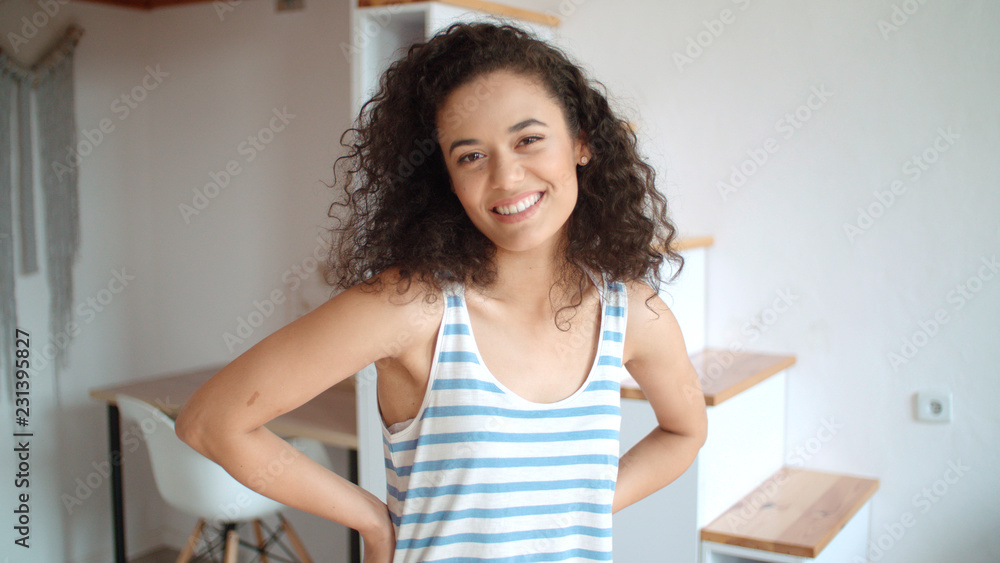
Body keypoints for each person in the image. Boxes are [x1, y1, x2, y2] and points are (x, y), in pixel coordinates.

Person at [176, 21, 707, 563]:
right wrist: (371, 522)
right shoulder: (412, 308)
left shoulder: (633, 313)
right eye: (470, 155)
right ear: (446, 181)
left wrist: (585, 506)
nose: (506, 176)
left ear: (581, 143)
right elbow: (211, 421)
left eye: (528, 140)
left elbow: (684, 431)